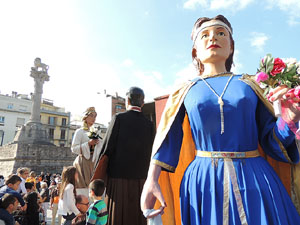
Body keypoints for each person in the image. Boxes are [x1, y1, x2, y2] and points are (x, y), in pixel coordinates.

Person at [140, 15, 300, 225]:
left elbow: (272, 139)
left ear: (231, 46)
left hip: (254, 177)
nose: (212, 38)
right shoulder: (184, 90)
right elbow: (167, 136)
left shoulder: (250, 85)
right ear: (195, 50)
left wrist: (289, 119)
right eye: (204, 35)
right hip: (203, 182)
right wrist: (152, 178)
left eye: (221, 33)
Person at [93, 87, 154, 225]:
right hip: (142, 180)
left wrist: (98, 175)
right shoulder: (149, 124)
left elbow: (106, 148)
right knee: (139, 217)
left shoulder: (118, 118)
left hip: (118, 179)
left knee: (118, 217)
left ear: (127, 101)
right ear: (142, 103)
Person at [71, 107, 101, 197]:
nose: (94, 118)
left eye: (95, 116)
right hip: (82, 162)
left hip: (93, 162)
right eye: (91, 116)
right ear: (85, 117)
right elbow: (74, 148)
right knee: (82, 187)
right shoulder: (79, 131)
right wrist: (88, 143)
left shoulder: (95, 131)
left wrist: (98, 144)